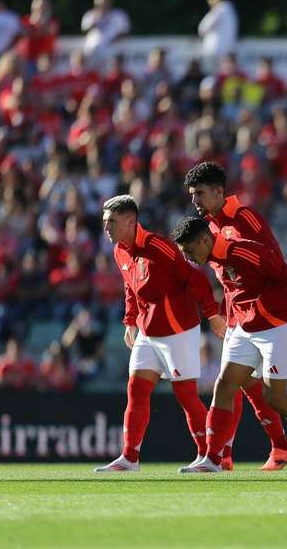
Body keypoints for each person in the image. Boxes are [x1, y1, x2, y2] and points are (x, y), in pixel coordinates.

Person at [172, 216, 287, 473]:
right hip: (245, 326)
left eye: (189, 250)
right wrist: (230, 322)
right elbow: (234, 292)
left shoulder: (245, 251)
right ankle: (212, 459)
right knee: (224, 386)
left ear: (203, 240)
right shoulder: (213, 258)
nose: (188, 257)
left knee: (275, 397)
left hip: (279, 324)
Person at [95, 194, 226, 473]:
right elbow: (130, 288)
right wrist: (130, 320)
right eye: (105, 222)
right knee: (136, 390)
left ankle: (212, 457)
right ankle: (129, 458)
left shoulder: (158, 246)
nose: (106, 228)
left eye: (112, 222)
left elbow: (195, 279)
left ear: (131, 221)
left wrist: (212, 314)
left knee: (186, 396)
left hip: (178, 330)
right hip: (147, 331)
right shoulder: (120, 250)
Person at [184, 161, 287, 471]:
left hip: (266, 317)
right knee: (237, 383)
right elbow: (230, 280)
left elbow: (271, 263)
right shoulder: (209, 227)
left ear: (219, 191)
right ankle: (268, 449)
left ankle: (229, 454)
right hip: (238, 316)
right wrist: (223, 314)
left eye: (199, 194)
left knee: (243, 385)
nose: (194, 201)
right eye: (192, 195)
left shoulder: (244, 217)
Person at [81, 0, 130, 70]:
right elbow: (84, 31)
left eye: (106, 0)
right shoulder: (90, 15)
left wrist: (113, 40)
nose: (103, 3)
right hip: (92, 51)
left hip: (112, 51)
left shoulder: (119, 15)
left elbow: (125, 32)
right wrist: (95, 20)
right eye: (101, 1)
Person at [198, 0, 238, 72]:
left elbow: (204, 27)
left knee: (214, 73)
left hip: (215, 49)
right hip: (226, 48)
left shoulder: (220, 9)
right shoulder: (230, 9)